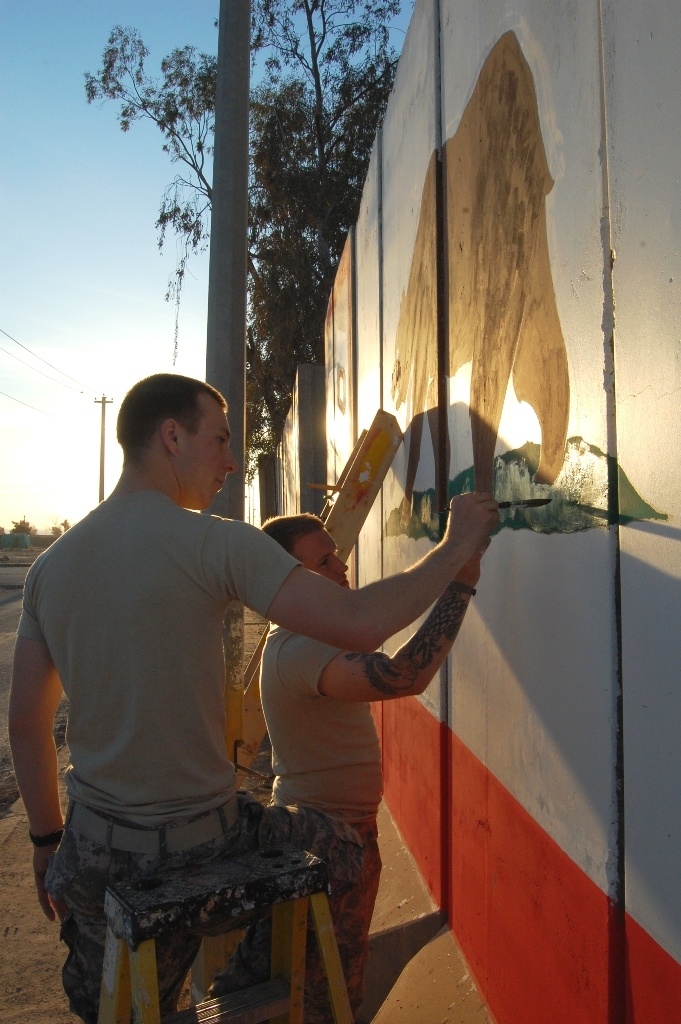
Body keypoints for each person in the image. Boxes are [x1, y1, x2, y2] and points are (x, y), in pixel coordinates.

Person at [9, 372, 498, 1023]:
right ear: (171, 436)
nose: (231, 460)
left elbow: (26, 723)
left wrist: (47, 839)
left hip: (98, 851)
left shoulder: (51, 566)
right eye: (219, 439)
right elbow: (359, 624)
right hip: (202, 843)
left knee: (111, 1004)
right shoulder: (216, 541)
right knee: (346, 849)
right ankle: (269, 991)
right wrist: (456, 547)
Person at [210, 513, 485, 1022]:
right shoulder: (296, 649)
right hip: (325, 844)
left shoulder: (305, 641)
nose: (342, 566)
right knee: (324, 993)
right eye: (324, 560)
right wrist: (460, 580)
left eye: (336, 554)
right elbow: (404, 675)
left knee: (320, 977)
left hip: (337, 835)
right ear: (286, 579)